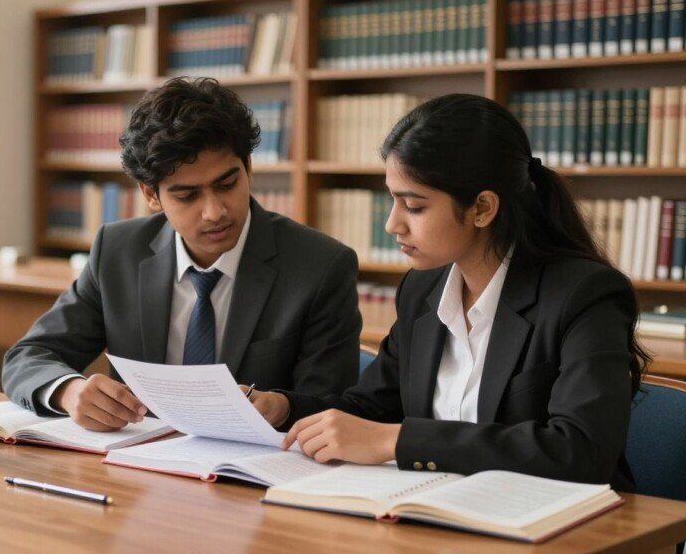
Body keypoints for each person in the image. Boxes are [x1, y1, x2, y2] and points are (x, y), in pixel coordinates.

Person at [248, 94, 649, 490]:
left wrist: (396, 440)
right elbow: (369, 409)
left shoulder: (585, 295)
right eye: (392, 201)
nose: (392, 225)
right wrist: (283, 406)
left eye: (414, 206)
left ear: (482, 209)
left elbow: (580, 451)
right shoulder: (422, 288)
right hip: (443, 513)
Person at [2, 77, 362, 432]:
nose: (214, 212)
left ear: (248, 168)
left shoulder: (321, 266)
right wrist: (69, 391)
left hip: (252, 475)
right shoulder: (117, 252)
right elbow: (27, 358)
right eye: (188, 196)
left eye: (227, 184)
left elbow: (337, 404)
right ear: (150, 194)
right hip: (138, 469)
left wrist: (283, 407)